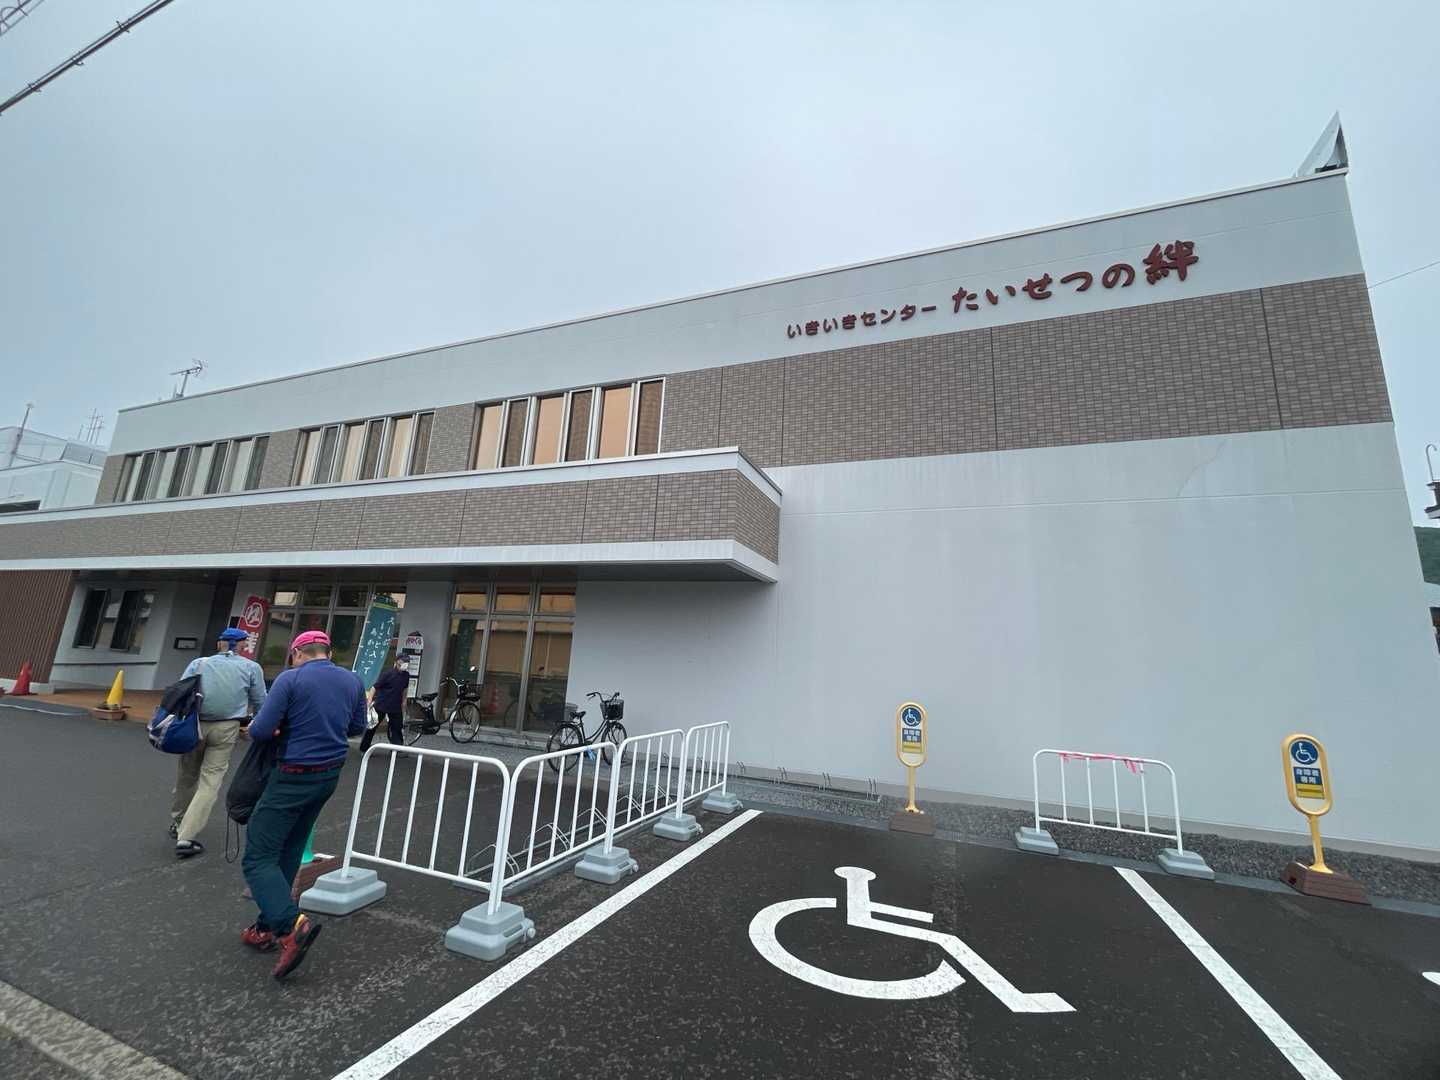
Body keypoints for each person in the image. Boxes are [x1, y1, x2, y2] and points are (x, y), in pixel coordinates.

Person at [240, 630, 367, 980]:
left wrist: (273, 728)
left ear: (297, 653)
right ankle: (266, 925)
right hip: (328, 775)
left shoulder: (290, 679)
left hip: (292, 775)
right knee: (291, 848)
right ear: (327, 652)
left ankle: (289, 925)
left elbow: (260, 730)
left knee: (258, 856)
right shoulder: (353, 681)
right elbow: (357, 726)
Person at [170, 626, 267, 859]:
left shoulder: (198, 664)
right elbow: (261, 701)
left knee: (186, 776)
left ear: (219, 644)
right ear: (243, 646)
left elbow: (180, 692)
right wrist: (257, 726)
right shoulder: (251, 667)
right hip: (226, 728)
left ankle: (178, 821)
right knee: (210, 781)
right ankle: (186, 837)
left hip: (193, 726)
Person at [358, 656, 411, 753]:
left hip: (395, 706)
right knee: (372, 727)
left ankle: (397, 749)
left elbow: (405, 689)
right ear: (396, 662)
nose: (405, 664)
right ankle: (364, 749)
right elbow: (374, 687)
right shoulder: (387, 674)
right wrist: (369, 701)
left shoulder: (406, 675)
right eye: (403, 661)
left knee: (397, 728)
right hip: (381, 704)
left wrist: (404, 701)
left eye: (407, 662)